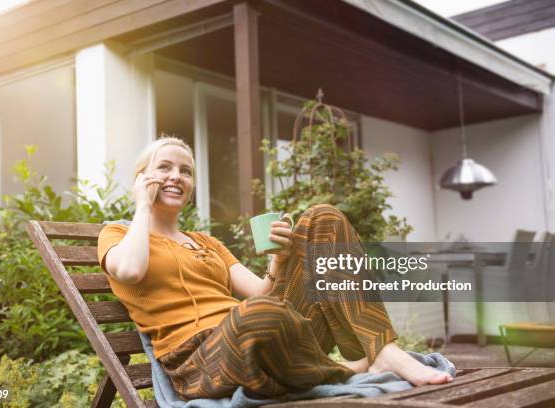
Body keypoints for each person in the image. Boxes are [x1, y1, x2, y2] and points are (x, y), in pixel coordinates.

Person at [97, 136, 453, 401]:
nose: (176, 176)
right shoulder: (118, 233)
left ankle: (383, 351)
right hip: (203, 360)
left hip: (266, 334)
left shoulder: (207, 242)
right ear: (143, 178)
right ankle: (354, 368)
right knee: (258, 316)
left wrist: (279, 261)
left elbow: (261, 293)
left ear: (190, 188)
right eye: (164, 168)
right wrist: (142, 208)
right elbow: (128, 271)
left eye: (186, 171)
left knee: (322, 218)